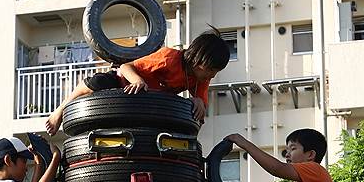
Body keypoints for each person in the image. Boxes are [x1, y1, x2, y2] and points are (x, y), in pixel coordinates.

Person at [45, 28, 231, 135]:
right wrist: (138, 80)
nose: (212, 76)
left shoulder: (200, 79)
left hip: (146, 103)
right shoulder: (169, 58)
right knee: (97, 83)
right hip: (123, 84)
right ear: (199, 61)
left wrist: (199, 103)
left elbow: (201, 109)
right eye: (211, 70)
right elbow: (126, 67)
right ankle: (59, 112)